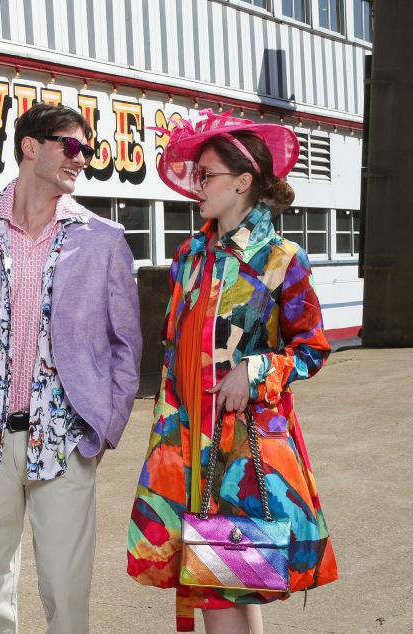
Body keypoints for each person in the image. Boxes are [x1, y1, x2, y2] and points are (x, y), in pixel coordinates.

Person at [0, 103, 142, 633]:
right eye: (72, 146)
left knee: (67, 590)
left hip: (66, 438)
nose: (82, 160)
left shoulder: (104, 239)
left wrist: (106, 424)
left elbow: (126, 342)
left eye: (87, 152)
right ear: (31, 146)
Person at [127, 110, 339, 633]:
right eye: (196, 175)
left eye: (208, 176)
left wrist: (257, 366)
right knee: (229, 577)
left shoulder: (282, 259)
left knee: (225, 584)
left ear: (244, 183)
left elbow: (310, 347)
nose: (197, 186)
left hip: (241, 449)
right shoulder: (187, 258)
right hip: (185, 441)